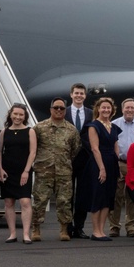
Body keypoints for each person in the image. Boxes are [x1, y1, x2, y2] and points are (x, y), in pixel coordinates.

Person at [31, 97, 81, 241]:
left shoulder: (71, 129)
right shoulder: (39, 128)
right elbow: (33, 147)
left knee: (64, 201)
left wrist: (63, 161)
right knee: (40, 201)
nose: (59, 110)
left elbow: (75, 149)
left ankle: (64, 230)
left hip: (64, 172)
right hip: (43, 171)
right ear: (50, 109)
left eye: (62, 108)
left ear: (65, 110)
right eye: (56, 107)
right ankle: (36, 229)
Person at [82, 97, 121, 241]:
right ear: (98, 109)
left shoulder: (114, 127)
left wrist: (116, 164)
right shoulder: (93, 126)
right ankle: (95, 231)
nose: (106, 110)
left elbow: (116, 147)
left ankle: (101, 230)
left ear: (112, 110)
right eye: (103, 107)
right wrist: (102, 168)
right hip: (98, 164)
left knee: (108, 197)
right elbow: (94, 148)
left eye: (108, 108)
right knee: (98, 196)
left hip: (111, 163)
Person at [0, 103, 36, 244]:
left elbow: (33, 152)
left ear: (25, 116)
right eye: (15, 114)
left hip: (23, 171)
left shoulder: (30, 131)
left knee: (25, 201)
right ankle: (12, 234)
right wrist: (0, 169)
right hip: (8, 170)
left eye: (21, 114)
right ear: (10, 114)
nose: (18, 117)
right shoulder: (4, 132)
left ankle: (26, 234)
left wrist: (26, 171)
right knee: (9, 202)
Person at [110, 98, 134, 238]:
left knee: (132, 197)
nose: (129, 110)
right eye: (127, 107)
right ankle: (114, 226)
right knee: (116, 196)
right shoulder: (114, 124)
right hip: (119, 163)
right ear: (122, 109)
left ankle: (131, 226)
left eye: (132, 108)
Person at [66, 83, 93, 239]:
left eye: (81, 93)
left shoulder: (91, 113)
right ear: (71, 94)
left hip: (85, 157)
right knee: (67, 195)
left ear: (85, 96)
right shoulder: (64, 112)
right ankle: (67, 227)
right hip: (67, 158)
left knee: (83, 194)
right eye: (76, 93)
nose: (79, 96)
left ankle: (79, 228)